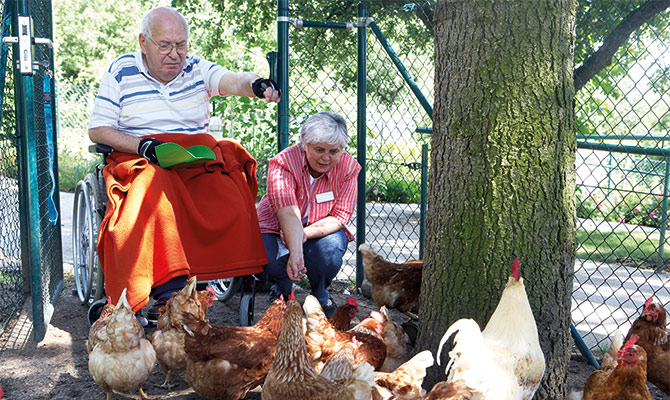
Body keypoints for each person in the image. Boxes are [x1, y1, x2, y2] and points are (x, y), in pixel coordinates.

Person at [88, 6, 280, 324]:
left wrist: (256, 85)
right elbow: (98, 130)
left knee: (229, 181)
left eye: (181, 45)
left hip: (192, 159)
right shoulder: (121, 70)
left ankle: (221, 275)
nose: (174, 54)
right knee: (154, 186)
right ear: (143, 43)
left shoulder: (196, 68)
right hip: (141, 156)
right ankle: (171, 291)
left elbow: (232, 80)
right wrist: (142, 146)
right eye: (164, 45)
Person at [256, 111, 361, 317]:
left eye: (334, 151)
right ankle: (282, 288)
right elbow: (287, 211)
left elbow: (340, 216)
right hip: (275, 227)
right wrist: (295, 250)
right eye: (319, 149)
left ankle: (320, 293)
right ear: (304, 143)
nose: (326, 158)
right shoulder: (283, 163)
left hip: (317, 230)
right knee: (264, 259)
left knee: (330, 249)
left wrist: (303, 235)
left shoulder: (349, 168)